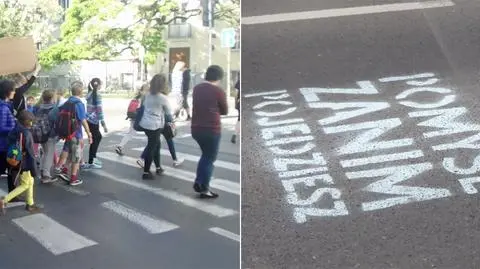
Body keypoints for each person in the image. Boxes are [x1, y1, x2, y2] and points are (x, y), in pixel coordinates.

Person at [191, 65, 228, 198]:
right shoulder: (218, 91)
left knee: (205, 155)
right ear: (218, 77)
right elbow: (225, 110)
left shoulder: (196, 89)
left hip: (196, 128)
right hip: (211, 129)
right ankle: (203, 186)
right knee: (209, 158)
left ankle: (199, 181)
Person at [0, 110, 42, 214]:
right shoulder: (26, 133)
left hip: (15, 159)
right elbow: (31, 153)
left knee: (29, 182)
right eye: (31, 121)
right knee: (25, 184)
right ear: (28, 122)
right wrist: (34, 169)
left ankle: (30, 204)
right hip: (25, 162)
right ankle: (3, 200)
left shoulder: (15, 129)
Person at [54, 81, 92, 186]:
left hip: (67, 132)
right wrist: (89, 133)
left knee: (67, 150)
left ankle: (64, 170)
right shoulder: (78, 104)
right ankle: (73, 178)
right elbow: (83, 120)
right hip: (76, 133)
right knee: (76, 156)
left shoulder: (66, 102)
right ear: (80, 92)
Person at [138, 74, 172, 180]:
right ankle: (146, 172)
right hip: (155, 125)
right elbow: (168, 112)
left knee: (156, 144)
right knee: (152, 147)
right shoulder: (162, 98)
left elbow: (142, 106)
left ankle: (158, 167)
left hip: (145, 123)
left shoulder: (147, 95)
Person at [115, 83, 149, 156]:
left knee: (130, 133)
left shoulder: (136, 97)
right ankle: (148, 151)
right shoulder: (144, 98)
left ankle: (120, 146)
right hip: (140, 119)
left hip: (133, 116)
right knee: (150, 134)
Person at [82, 78, 107, 169]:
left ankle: (92, 159)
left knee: (96, 138)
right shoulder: (97, 95)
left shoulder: (89, 94)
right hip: (94, 120)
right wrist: (103, 124)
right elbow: (99, 109)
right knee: (96, 138)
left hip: (88, 119)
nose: (101, 86)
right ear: (98, 85)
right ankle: (92, 160)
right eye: (101, 84)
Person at [34, 90, 58, 184]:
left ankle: (42, 171)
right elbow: (56, 121)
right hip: (50, 135)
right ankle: (46, 175)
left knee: (45, 152)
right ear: (52, 98)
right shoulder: (54, 109)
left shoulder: (39, 108)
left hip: (40, 134)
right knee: (49, 154)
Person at [0, 80, 18, 196]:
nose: (15, 92)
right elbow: (1, 128)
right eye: (13, 90)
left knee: (13, 169)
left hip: (8, 144)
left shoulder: (5, 106)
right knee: (10, 169)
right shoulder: (2, 108)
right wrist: (14, 129)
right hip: (4, 145)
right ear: (7, 91)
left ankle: (13, 195)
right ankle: (13, 195)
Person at [231, 77, 240, 144]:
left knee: (239, 119)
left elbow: (236, 93)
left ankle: (235, 134)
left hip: (240, 102)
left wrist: (235, 103)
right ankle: (235, 134)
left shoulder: (239, 81)